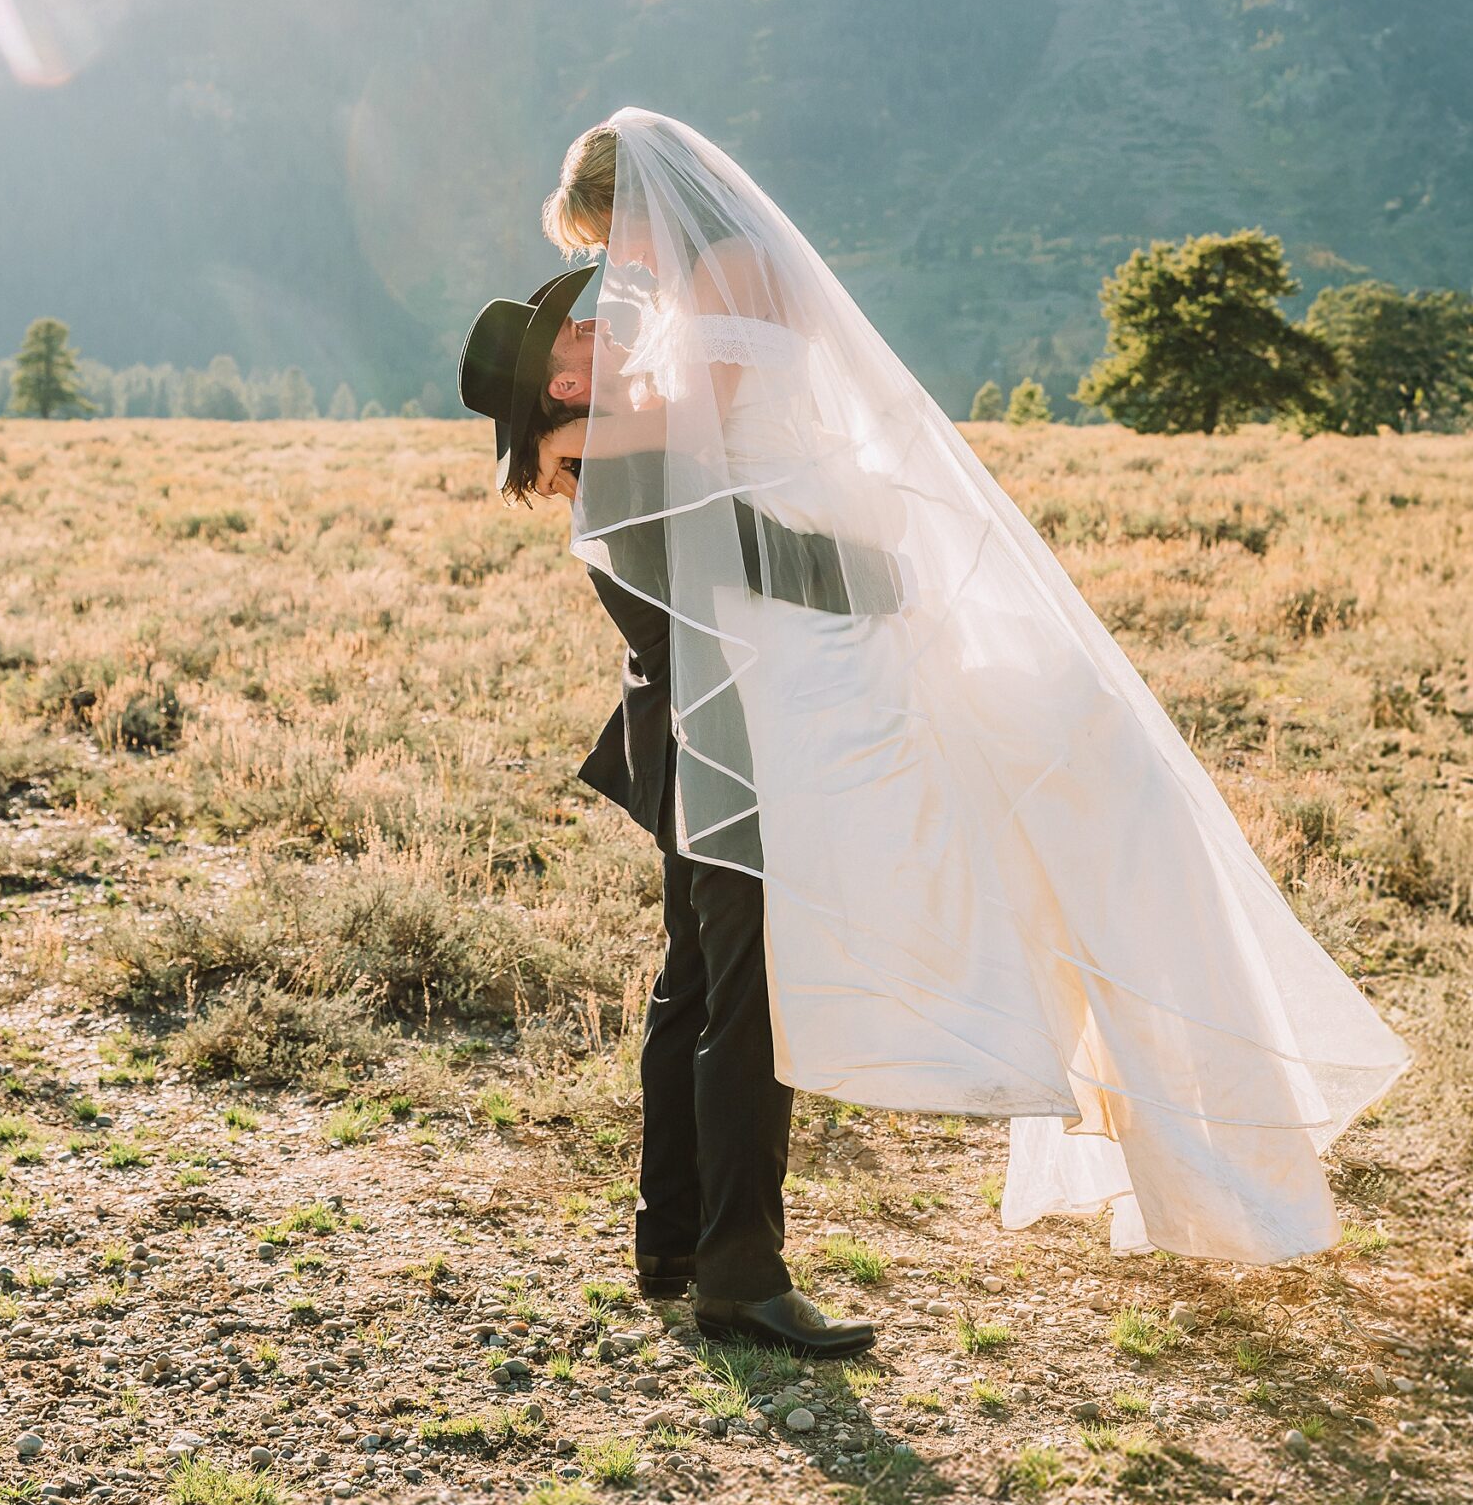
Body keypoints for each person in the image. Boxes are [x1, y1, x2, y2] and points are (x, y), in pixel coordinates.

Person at [509, 108, 1408, 1269]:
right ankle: (693, 1242)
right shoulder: (689, 292)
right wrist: (562, 428)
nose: (614, 265)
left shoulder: (738, 268)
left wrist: (564, 429)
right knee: (733, 952)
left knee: (960, 884)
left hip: (827, 630)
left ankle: (733, 1242)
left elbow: (703, 434)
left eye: (611, 236)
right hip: (773, 647)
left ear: (647, 205)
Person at [457, 269, 876, 1358]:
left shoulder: (607, 462)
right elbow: (762, 557)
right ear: (563, 374)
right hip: (727, 749)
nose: (606, 324)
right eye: (582, 326)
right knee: (747, 1004)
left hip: (691, 746)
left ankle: (674, 1236)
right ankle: (742, 1271)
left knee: (692, 991)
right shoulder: (630, 466)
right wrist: (887, 572)